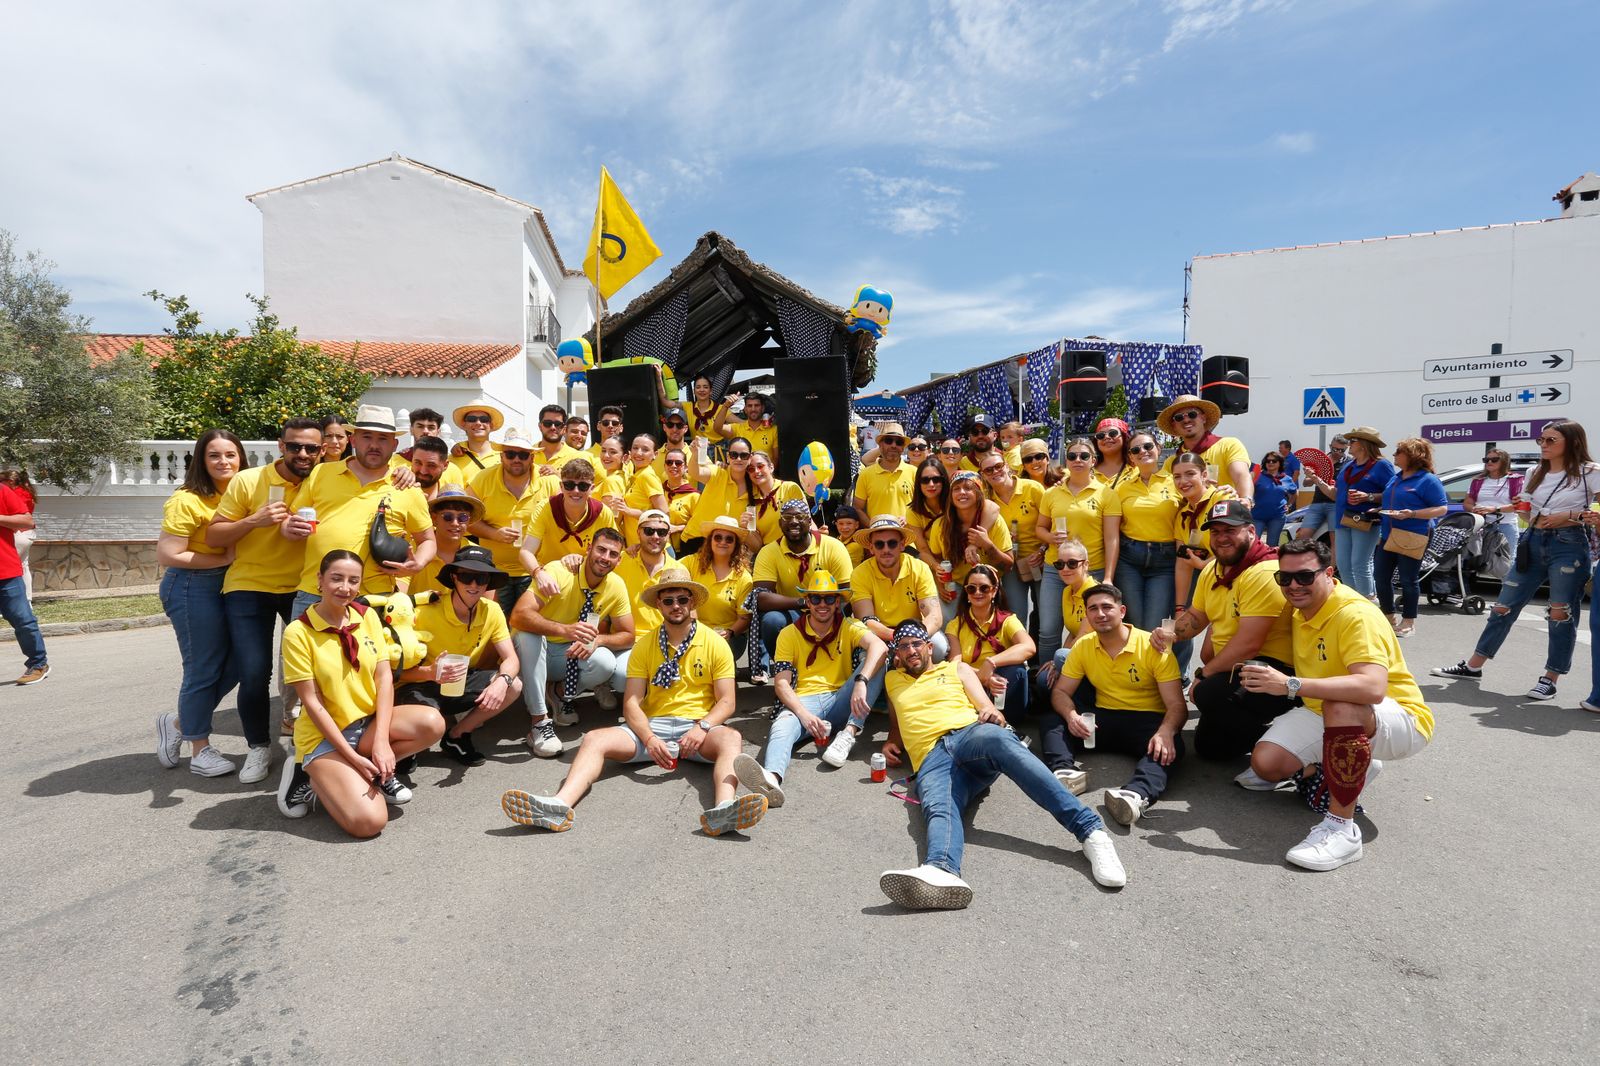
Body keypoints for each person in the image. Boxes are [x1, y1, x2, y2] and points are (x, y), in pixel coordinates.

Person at [501, 568, 769, 836]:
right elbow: (631, 702)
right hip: (653, 727)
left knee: (731, 738)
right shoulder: (646, 645)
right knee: (595, 739)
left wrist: (703, 727)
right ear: (659, 605)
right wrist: (649, 739)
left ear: (692, 603)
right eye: (668, 600)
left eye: (682, 600)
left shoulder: (715, 643)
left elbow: (727, 702)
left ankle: (724, 809)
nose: (676, 606)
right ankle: (559, 806)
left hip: (697, 728)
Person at [877, 621, 1125, 909]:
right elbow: (898, 717)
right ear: (897, 654)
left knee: (999, 741)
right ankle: (942, 870)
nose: (911, 650)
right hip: (931, 758)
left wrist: (993, 715)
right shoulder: (892, 680)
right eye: (904, 646)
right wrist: (891, 740)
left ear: (929, 647)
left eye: (916, 643)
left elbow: (987, 707)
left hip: (970, 736)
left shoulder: (957, 669)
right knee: (938, 806)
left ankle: (1091, 832)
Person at [1241, 539, 1435, 871]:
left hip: (1398, 717)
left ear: (1328, 573)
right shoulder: (1303, 607)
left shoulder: (1354, 614)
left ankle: (1341, 829)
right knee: (1264, 767)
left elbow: (1372, 688)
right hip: (1324, 711)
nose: (1293, 586)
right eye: (1284, 579)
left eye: (1304, 576)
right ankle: (1346, 766)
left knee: (1341, 704)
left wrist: (1289, 684)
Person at [275, 550, 447, 835]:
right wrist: (353, 759)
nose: (345, 588)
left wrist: (381, 743)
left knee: (432, 723)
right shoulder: (298, 632)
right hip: (324, 736)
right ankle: (307, 775)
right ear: (319, 580)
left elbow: (383, 678)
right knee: (369, 823)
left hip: (367, 726)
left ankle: (369, 772)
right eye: (337, 579)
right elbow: (312, 704)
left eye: (354, 581)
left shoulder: (366, 617)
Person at [1435, 419, 1600, 702]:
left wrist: (1569, 516)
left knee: (1560, 612)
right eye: (1541, 440)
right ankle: (1474, 666)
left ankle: (1550, 678)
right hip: (1533, 540)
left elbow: (1596, 509)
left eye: (1550, 440)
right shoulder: (1535, 471)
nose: (1543, 445)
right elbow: (1524, 508)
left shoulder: (1590, 472)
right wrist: (1527, 515)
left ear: (1572, 442)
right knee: (1503, 605)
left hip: (1569, 544)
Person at [206, 418, 322, 747]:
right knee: (255, 673)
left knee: (317, 671)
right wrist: (254, 520)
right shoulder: (248, 480)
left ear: (321, 450)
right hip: (249, 585)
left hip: (303, 587)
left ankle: (314, 746)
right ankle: (258, 747)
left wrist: (406, 472)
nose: (303, 453)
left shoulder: (326, 480)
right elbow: (214, 535)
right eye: (295, 446)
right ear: (281, 446)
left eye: (311, 448)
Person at [1152, 501, 1295, 767]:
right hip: (1237, 668)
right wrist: (1168, 632)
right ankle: (1273, 737)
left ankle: (1294, 739)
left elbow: (1249, 645)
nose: (1221, 538)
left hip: (1275, 671)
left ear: (1251, 531)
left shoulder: (1264, 571)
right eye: (1215, 532)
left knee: (1207, 693)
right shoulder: (1213, 568)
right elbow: (1196, 617)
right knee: (1210, 749)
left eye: (1230, 530)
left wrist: (1202, 675)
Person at [734, 571, 889, 805]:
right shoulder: (789, 633)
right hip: (806, 700)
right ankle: (771, 778)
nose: (822, 604)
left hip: (841, 698)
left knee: (879, 660)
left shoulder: (849, 626)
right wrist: (804, 716)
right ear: (807, 602)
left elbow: (880, 647)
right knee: (782, 726)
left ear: (838, 603)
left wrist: (861, 681)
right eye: (816, 599)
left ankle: (848, 734)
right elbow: (781, 682)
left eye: (829, 599)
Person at [1044, 584, 1186, 826]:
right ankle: (1065, 774)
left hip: (1146, 721)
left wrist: (1166, 732)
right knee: (1053, 720)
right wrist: (1072, 717)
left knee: (1170, 746)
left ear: (1122, 611)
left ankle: (1134, 795)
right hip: (1104, 718)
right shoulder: (1083, 645)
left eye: (1106, 607)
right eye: (1093, 609)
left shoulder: (1153, 646)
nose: (1100, 613)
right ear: (1087, 615)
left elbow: (1177, 705)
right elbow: (1061, 692)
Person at [285, 405, 436, 617]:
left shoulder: (407, 487)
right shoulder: (321, 473)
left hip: (374, 599)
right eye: (366, 437)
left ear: (394, 444)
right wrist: (289, 527)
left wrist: (417, 563)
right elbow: (293, 518)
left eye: (383, 438)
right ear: (353, 440)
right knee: (304, 651)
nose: (374, 445)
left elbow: (428, 540)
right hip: (315, 592)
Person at [155, 429, 245, 778]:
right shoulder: (188, 499)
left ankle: (178, 721)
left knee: (238, 665)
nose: (224, 462)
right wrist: (224, 561)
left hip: (229, 585)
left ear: (241, 458)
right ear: (201, 461)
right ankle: (199, 749)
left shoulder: (241, 494)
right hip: (193, 585)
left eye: (230, 455)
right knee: (203, 667)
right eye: (214, 455)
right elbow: (169, 554)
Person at [394, 545, 523, 767]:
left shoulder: (491, 610)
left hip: (457, 682)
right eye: (466, 576)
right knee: (430, 726)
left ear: (488, 582)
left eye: (480, 578)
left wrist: (502, 681)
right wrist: (430, 672)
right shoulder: (424, 611)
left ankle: (457, 736)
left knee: (514, 685)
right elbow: (392, 671)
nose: (473, 585)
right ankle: (409, 743)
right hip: (417, 685)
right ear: (454, 578)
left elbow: (511, 659)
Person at [511, 528, 634, 756]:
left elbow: (628, 634)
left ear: (619, 560)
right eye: (601, 550)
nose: (605, 558)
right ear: (588, 549)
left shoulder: (616, 585)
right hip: (534, 653)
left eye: (612, 554)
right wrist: (564, 630)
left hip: (566, 654)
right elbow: (519, 615)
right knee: (528, 636)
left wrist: (599, 640)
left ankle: (557, 694)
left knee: (605, 661)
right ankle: (539, 723)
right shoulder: (559, 570)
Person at [751, 499, 854, 681]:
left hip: (829, 610)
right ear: (780, 522)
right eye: (787, 517)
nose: (793, 521)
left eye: (800, 516)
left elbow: (847, 594)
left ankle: (831, 669)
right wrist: (803, 602)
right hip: (791, 613)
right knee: (771, 621)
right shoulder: (769, 552)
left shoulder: (833, 547)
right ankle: (788, 670)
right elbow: (761, 597)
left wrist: (824, 613)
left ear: (809, 520)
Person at [469, 428, 557, 617]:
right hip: (494, 572)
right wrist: (494, 534)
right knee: (495, 628)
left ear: (532, 458)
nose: (516, 459)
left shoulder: (549, 482)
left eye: (523, 454)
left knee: (528, 629)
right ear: (501, 456)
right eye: (510, 454)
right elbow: (466, 519)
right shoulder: (483, 479)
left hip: (537, 571)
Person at [1036, 439, 1106, 667]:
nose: (1078, 460)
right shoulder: (1052, 493)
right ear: (1066, 461)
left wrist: (1108, 576)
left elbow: (1112, 537)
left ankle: (1073, 674)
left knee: (1089, 628)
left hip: (1090, 567)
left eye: (1084, 456)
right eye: (1073, 456)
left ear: (1093, 461)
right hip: (1056, 568)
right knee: (1048, 629)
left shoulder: (1106, 493)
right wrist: (1049, 538)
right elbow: (1040, 528)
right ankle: (1045, 680)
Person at [1101, 430, 1179, 630]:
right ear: (1130, 457)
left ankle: (1154, 661)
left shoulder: (1175, 482)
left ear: (1158, 449)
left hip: (1165, 560)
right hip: (1130, 559)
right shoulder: (1120, 487)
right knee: (1133, 622)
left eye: (1148, 446)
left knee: (1154, 624)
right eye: (1136, 450)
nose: (1142, 451)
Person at [1373, 437, 1449, 638]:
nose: (1394, 455)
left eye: (1399, 452)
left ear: (1413, 456)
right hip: (1388, 534)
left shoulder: (1428, 479)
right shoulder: (1396, 477)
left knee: (1408, 579)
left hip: (1413, 534)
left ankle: (1408, 622)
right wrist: (1381, 508)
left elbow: (1442, 508)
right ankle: (1388, 617)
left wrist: (1412, 514)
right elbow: (1393, 500)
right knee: (1380, 577)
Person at [943, 564, 1035, 727]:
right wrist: (984, 678)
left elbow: (1029, 647)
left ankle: (1006, 721)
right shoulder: (955, 624)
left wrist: (991, 662)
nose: (977, 593)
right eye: (972, 589)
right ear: (966, 593)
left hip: (1001, 688)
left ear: (994, 591)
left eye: (984, 588)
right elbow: (955, 665)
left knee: (1018, 671)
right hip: (972, 686)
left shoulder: (1007, 620)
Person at [851, 515, 947, 661]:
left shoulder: (919, 568)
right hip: (880, 635)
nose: (886, 549)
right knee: (867, 657)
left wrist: (912, 639)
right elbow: (866, 621)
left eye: (892, 543)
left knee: (939, 647)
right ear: (871, 548)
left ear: (902, 545)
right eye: (879, 544)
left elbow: (935, 616)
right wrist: (899, 639)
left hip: (915, 631)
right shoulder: (860, 573)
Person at [927, 471, 1011, 624]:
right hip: (956, 585)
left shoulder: (995, 522)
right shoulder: (940, 526)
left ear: (978, 493)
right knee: (949, 627)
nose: (962, 492)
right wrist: (940, 583)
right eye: (956, 489)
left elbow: (1008, 565)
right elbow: (937, 558)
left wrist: (987, 546)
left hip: (988, 587)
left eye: (968, 488)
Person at [978, 451, 1045, 636]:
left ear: (1007, 466)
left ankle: (1039, 659)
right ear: (983, 474)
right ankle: (1020, 659)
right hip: (1010, 563)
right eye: (989, 469)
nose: (995, 472)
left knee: (1046, 615)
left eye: (998, 466)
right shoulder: (985, 499)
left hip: (1040, 559)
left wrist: (1042, 550)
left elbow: (1052, 522)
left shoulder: (1033, 488)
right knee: (1016, 616)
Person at [520, 457, 619, 579]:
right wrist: (538, 574)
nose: (576, 491)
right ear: (561, 486)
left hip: (586, 576)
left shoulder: (602, 513)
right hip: (549, 576)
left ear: (592, 488)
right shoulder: (546, 507)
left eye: (583, 486)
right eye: (569, 485)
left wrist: (583, 560)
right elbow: (526, 551)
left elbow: (613, 552)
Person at [1330, 426, 1394, 599]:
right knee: (1343, 565)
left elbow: (1392, 494)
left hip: (1365, 520)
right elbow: (1337, 492)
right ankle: (1353, 602)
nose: (1349, 444)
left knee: (1359, 563)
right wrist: (1317, 481)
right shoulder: (1349, 465)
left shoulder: (1382, 465)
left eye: (1353, 441)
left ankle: (1369, 604)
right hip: (1343, 519)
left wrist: (1369, 497)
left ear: (1364, 444)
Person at [1157, 395, 1252, 503]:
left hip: (1222, 514)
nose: (1186, 419)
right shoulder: (1171, 462)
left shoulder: (1228, 445)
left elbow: (1241, 475)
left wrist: (1246, 499)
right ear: (1174, 425)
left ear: (1203, 418)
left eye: (1192, 414)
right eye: (1179, 417)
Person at [685, 515, 754, 662]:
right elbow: (667, 564)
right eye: (718, 537)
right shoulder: (692, 562)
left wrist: (729, 632)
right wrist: (638, 547)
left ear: (736, 544)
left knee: (711, 658)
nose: (723, 542)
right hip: (693, 632)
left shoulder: (744, 577)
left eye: (729, 539)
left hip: (729, 637)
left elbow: (745, 618)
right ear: (710, 540)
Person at [0, 475, 48, 685]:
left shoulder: (1, 490)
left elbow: (27, 520)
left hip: (5, 571)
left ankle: (38, 664)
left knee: (23, 621)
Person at [409, 486, 482, 595]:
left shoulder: (478, 554)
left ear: (469, 520)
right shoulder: (413, 549)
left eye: (463, 517)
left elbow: (487, 602)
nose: (455, 523)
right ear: (434, 518)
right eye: (448, 516)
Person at [613, 508, 674, 634]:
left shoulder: (678, 569)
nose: (655, 536)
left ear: (668, 535)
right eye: (649, 531)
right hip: (626, 640)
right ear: (638, 532)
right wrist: (575, 558)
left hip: (664, 641)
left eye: (662, 532)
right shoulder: (619, 561)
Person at [683, 437, 754, 542]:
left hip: (727, 544)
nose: (738, 459)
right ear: (728, 457)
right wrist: (695, 456)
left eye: (744, 455)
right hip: (697, 539)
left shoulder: (755, 485)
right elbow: (696, 473)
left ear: (750, 458)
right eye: (734, 455)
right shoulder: (718, 472)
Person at [1463, 447, 1524, 565]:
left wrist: (1494, 509)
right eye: (1487, 460)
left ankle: (1506, 584)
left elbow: (1520, 505)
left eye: (1494, 459)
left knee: (1507, 562)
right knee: (1475, 561)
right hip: (1481, 525)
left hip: (1505, 525)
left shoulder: (1516, 480)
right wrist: (1474, 509)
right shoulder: (1477, 480)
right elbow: (1467, 503)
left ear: (1504, 461)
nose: (1489, 462)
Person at [740, 450, 806, 550]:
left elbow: (806, 520)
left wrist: (819, 537)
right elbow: (756, 547)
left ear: (771, 467)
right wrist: (744, 529)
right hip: (769, 555)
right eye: (751, 469)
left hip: (795, 550)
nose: (756, 471)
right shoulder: (751, 502)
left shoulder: (790, 488)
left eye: (760, 466)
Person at [1289, 434, 1349, 543]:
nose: (1337, 452)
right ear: (1330, 446)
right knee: (1302, 536)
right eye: (1334, 449)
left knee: (1334, 538)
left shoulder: (1348, 463)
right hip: (1317, 502)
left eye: (1341, 450)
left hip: (1335, 504)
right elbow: (1306, 483)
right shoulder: (1321, 460)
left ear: (1346, 448)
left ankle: (1333, 561)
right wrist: (1313, 476)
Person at [853, 421, 916, 522]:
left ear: (903, 447)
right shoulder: (866, 474)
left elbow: (922, 506)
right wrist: (873, 527)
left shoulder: (914, 472)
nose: (894, 445)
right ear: (880, 445)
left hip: (908, 535)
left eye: (899, 442)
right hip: (877, 536)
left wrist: (908, 519)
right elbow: (858, 508)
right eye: (888, 441)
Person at [615, 434, 668, 544]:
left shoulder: (647, 476)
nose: (638, 453)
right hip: (638, 547)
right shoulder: (636, 476)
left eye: (645, 449)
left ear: (655, 454)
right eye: (635, 448)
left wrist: (629, 511)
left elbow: (663, 513)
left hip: (654, 547)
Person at [0, 468, 37, 602]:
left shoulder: (14, 493)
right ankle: (27, 600)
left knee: (12, 570)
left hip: (18, 533)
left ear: (9, 481)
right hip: (28, 534)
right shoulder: (27, 493)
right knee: (23, 567)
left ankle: (11, 603)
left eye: (1, 481)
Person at [906, 457, 949, 558]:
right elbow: (922, 548)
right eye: (925, 480)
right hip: (933, 564)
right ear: (918, 483)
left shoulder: (955, 502)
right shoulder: (913, 512)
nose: (931, 484)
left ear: (944, 481)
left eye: (936, 479)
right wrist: (937, 567)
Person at [1251, 451, 1297, 546]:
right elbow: (1250, 489)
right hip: (1257, 516)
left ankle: (1271, 561)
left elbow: (1294, 493)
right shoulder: (1258, 476)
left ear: (1280, 463)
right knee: (1253, 543)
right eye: (1268, 461)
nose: (1270, 463)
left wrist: (1289, 505)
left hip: (1277, 517)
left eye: (1274, 461)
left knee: (1272, 545)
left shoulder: (1287, 479)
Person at [719, 391, 778, 463]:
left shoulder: (773, 430)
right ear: (745, 409)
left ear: (762, 408)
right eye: (750, 406)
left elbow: (776, 459)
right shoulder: (737, 428)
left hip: (763, 473)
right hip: (742, 473)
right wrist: (725, 406)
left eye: (756, 405)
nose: (753, 409)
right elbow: (717, 428)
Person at [449, 400, 503, 477]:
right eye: (472, 419)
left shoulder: (504, 456)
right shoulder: (451, 460)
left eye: (484, 419)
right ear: (464, 424)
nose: (478, 423)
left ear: (491, 425)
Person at [532, 404, 582, 477]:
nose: (553, 427)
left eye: (557, 424)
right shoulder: (526, 453)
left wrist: (558, 474)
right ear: (540, 426)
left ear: (564, 429)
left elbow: (581, 485)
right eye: (547, 423)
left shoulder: (576, 457)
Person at [687, 375, 732, 454]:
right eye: (698, 387)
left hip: (719, 453)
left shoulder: (721, 408)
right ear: (694, 391)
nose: (701, 390)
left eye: (705, 387)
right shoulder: (688, 406)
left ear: (711, 391)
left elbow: (742, 424)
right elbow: (666, 402)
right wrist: (659, 378)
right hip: (699, 452)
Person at [407, 435, 455, 499]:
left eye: (431, 465)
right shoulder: (396, 491)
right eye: (418, 463)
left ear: (445, 465)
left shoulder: (451, 499)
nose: (423, 471)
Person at [1091, 418, 1132, 487]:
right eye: (1101, 435)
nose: (1107, 437)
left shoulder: (1137, 469)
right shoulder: (1087, 471)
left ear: (1124, 437)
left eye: (1113, 433)